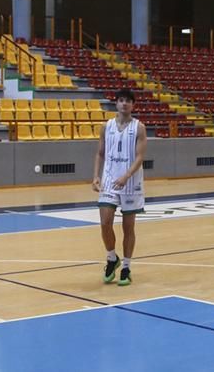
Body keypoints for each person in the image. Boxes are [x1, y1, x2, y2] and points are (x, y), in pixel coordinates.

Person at [93, 88, 148, 287]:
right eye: (121, 100)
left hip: (131, 182)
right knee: (105, 222)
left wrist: (126, 176)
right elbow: (100, 153)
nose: (124, 104)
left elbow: (140, 157)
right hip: (109, 180)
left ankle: (126, 266)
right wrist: (96, 176)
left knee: (128, 227)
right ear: (116, 103)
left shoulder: (139, 128)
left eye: (128, 101)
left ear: (133, 105)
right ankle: (111, 258)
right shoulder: (105, 127)